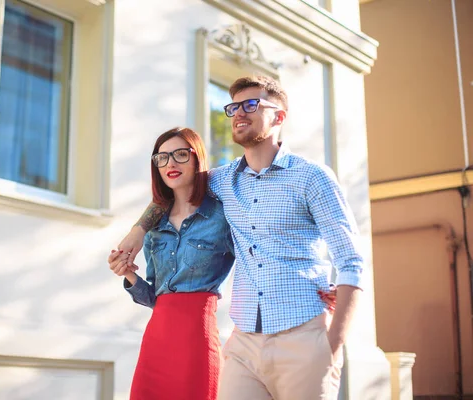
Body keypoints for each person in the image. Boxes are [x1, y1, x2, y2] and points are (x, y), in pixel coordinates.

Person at [110, 75, 363, 400]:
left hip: (303, 332)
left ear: (279, 116)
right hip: (244, 343)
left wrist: (333, 343)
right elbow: (174, 186)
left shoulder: (311, 176)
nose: (239, 113)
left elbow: (351, 261)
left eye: (251, 104)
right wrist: (137, 231)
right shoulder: (222, 180)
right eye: (233, 107)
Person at [110, 127, 235, 400]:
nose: (171, 164)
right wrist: (129, 276)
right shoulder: (155, 226)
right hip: (156, 340)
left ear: (196, 158)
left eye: (180, 154)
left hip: (196, 342)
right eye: (162, 157)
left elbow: (256, 260)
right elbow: (154, 297)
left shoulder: (222, 216)